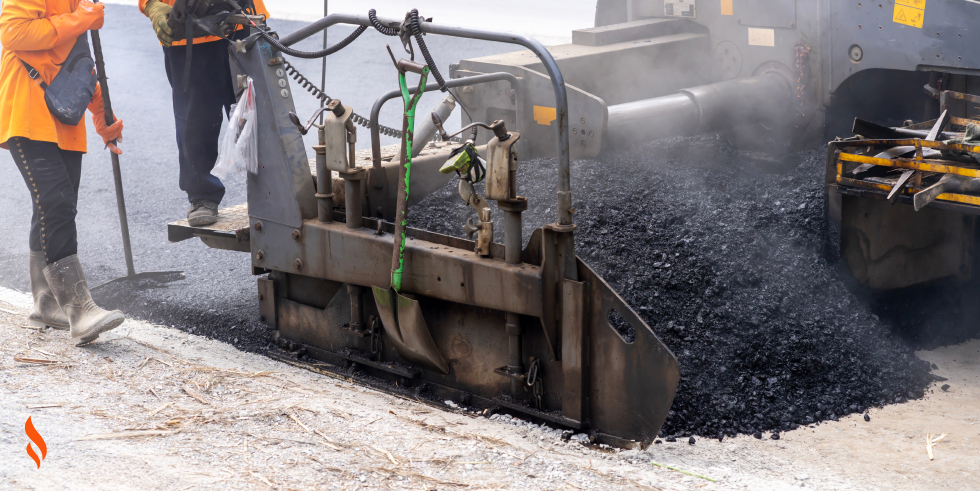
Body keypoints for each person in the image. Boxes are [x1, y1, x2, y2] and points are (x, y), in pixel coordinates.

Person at [0, 0, 127, 345]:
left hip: (64, 117)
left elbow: (78, 66)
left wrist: (102, 117)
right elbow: (12, 33)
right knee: (55, 201)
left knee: (57, 206)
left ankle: (45, 302)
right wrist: (80, 19)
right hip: (27, 110)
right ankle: (79, 310)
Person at [139, 0, 268, 226]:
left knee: (257, 115)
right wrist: (150, 3)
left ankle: (273, 189)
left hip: (240, 20)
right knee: (194, 120)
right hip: (187, 33)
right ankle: (202, 195)